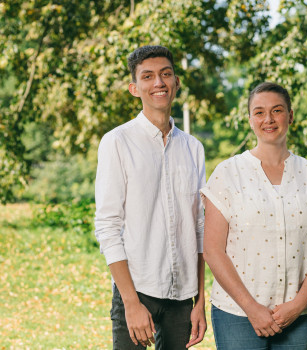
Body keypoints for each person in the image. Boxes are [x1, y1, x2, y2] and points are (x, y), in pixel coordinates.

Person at [202, 82, 307, 350]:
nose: (269, 119)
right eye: (259, 112)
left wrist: (298, 305)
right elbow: (213, 249)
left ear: (291, 115)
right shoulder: (227, 174)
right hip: (237, 313)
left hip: (299, 314)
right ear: (250, 119)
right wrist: (252, 308)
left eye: (277, 110)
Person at [94, 45, 206, 349]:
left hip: (183, 297)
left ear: (176, 82)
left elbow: (199, 227)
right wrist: (130, 303)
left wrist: (200, 301)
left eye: (165, 74)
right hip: (138, 289)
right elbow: (107, 226)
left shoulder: (193, 148)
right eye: (148, 76)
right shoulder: (117, 142)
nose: (159, 83)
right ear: (135, 88)